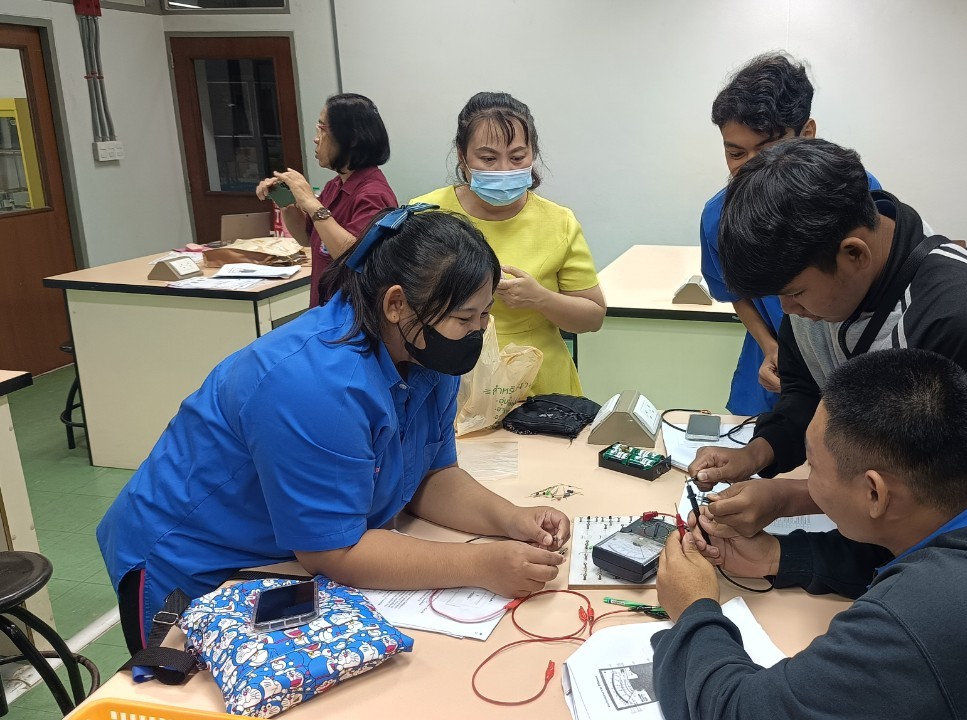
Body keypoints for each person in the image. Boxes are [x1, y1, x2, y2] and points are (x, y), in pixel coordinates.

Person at [98, 207, 568, 653]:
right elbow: (332, 552)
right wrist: (481, 564)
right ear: (396, 304)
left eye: (485, 314)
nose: (478, 330)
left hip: (288, 555)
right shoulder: (316, 384)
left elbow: (429, 476)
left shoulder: (424, 352)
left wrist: (510, 519)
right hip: (200, 561)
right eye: (464, 318)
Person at [654, 349, 967, 720]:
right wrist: (775, 557)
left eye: (814, 466)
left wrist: (694, 609)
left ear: (874, 493)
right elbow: (895, 565)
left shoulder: (921, 617)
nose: (805, 482)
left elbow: (736, 711)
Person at [691, 138, 967, 537]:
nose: (788, 310)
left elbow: (926, 502)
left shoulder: (965, 321)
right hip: (877, 517)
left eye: (795, 293)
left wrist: (785, 521)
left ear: (854, 254)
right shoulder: (820, 276)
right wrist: (756, 454)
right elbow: (807, 391)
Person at [700, 52, 881, 416]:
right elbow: (735, 292)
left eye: (768, 150)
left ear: (807, 133)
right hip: (773, 366)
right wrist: (770, 346)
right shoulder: (719, 216)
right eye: (736, 153)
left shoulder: (856, 194)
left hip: (851, 357)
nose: (752, 168)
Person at [410, 92, 605, 396]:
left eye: (517, 157)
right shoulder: (426, 213)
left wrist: (540, 298)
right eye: (488, 159)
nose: (504, 170)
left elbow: (592, 316)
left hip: (539, 387)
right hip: (449, 378)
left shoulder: (558, 222)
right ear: (462, 156)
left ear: (532, 153)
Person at [256, 92, 398, 307]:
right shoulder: (335, 185)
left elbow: (353, 255)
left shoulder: (373, 194)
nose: (316, 139)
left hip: (351, 314)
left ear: (352, 138)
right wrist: (285, 200)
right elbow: (306, 237)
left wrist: (311, 203)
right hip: (325, 309)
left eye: (322, 129)